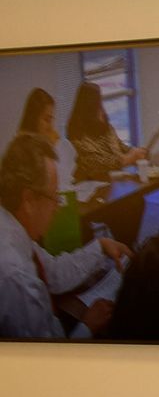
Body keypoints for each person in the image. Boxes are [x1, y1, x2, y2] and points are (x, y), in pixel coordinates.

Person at [0, 132, 129, 339]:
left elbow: (52, 272)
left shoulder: (11, 227)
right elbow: (45, 356)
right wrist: (88, 326)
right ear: (29, 200)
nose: (58, 207)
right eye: (54, 197)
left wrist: (101, 246)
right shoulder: (17, 277)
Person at [66, 80, 147, 183]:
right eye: (98, 104)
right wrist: (128, 159)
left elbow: (119, 146)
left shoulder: (104, 124)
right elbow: (98, 162)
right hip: (91, 184)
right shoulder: (77, 133)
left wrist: (135, 152)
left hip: (113, 179)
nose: (101, 108)